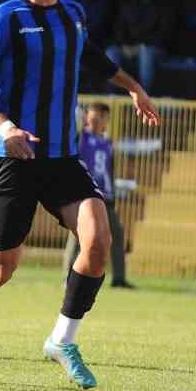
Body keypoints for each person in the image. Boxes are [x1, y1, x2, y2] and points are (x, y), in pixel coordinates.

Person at [0, 0, 159, 390]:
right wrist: (6, 126)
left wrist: (133, 87)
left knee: (97, 239)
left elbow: (90, 56)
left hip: (61, 158)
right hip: (12, 157)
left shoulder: (74, 14)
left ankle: (63, 338)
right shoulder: (4, 19)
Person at [63, 103, 131, 288]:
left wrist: (113, 195)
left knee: (116, 234)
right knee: (79, 237)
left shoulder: (108, 144)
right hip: (84, 195)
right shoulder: (80, 138)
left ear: (106, 121)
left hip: (105, 197)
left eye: (101, 117)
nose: (96, 121)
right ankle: (69, 277)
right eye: (93, 117)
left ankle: (119, 278)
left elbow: (110, 170)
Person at [108, 0, 175, 91]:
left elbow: (164, 34)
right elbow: (119, 27)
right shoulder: (129, 2)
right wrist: (124, 45)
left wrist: (139, 47)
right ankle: (111, 94)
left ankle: (144, 95)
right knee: (111, 52)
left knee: (146, 53)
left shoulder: (167, 5)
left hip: (153, 49)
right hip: (128, 48)